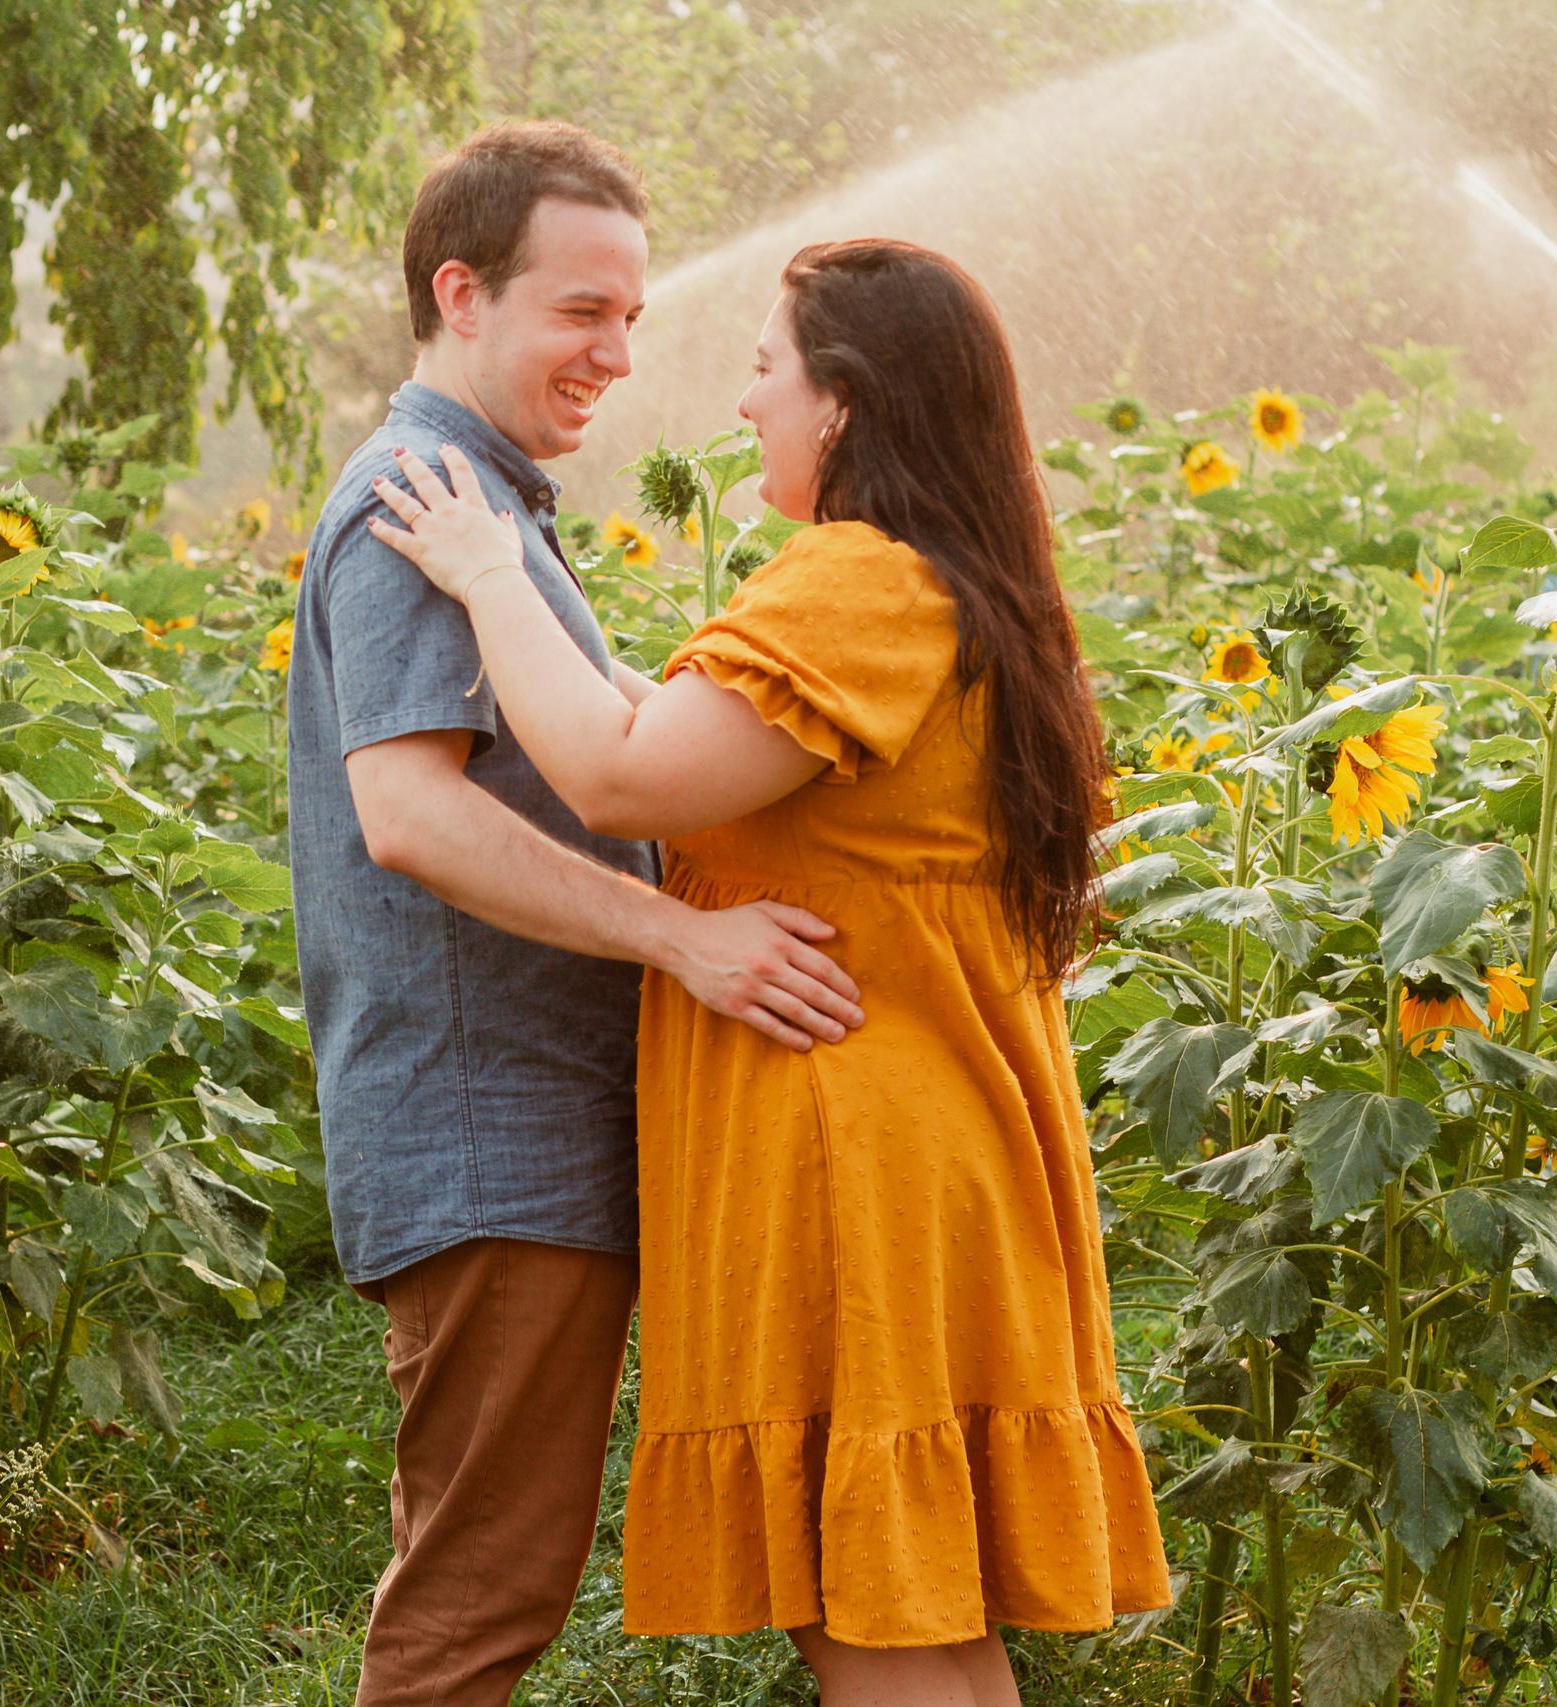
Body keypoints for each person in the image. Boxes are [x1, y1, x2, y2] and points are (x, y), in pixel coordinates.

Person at [366, 238, 1173, 1707]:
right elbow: (673, 722)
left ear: (845, 405)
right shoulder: (939, 584)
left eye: (762, 369)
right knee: (913, 1613)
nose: (742, 405)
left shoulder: (856, 584)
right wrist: (534, 594)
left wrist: (489, 573)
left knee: (871, 1610)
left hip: (851, 1167)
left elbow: (620, 777)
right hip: (918, 1148)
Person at [285, 123, 869, 1707]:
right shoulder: (421, 498)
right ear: (460, 294)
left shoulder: (493, 502)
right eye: (579, 313)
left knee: (492, 1580)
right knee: (480, 1599)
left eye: (632, 316)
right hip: (492, 1136)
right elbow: (407, 815)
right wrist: (687, 943)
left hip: (538, 1134)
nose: (617, 354)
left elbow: (624, 737)